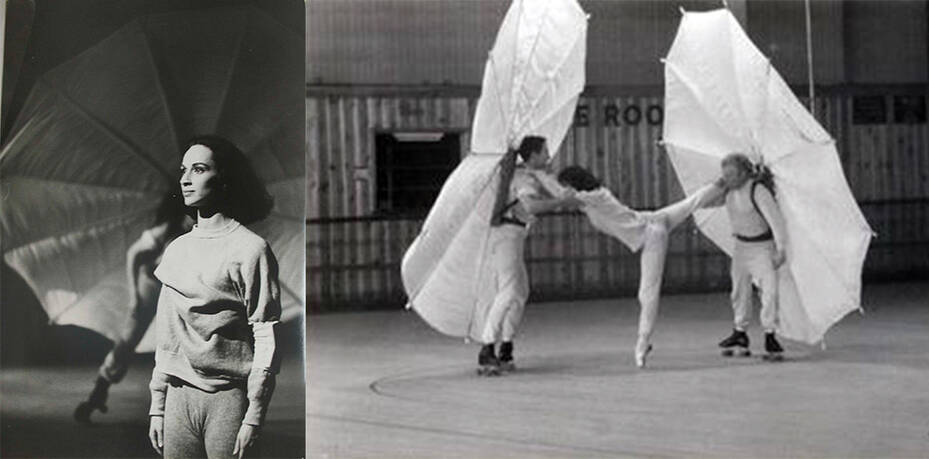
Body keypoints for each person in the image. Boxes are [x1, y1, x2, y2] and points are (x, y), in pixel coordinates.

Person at [147, 135, 281, 458]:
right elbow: (167, 336)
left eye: (199, 169)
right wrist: (157, 404)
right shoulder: (176, 250)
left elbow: (266, 334)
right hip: (179, 398)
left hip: (229, 401)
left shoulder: (251, 250)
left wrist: (254, 414)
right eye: (184, 170)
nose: (185, 179)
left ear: (223, 180)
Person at [556, 166, 725, 368]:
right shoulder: (592, 197)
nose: (563, 190)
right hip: (651, 219)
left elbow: (560, 199)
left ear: (574, 185)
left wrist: (535, 174)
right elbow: (565, 198)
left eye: (565, 186)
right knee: (690, 204)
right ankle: (724, 182)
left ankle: (642, 343)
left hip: (651, 234)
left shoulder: (590, 197)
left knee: (647, 293)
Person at [74, 193, 193, 424]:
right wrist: (134, 296)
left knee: (186, 342)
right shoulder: (166, 230)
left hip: (179, 290)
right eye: (189, 215)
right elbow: (133, 255)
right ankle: (98, 392)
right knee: (128, 339)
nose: (193, 220)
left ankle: (184, 405)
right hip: (151, 285)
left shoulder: (202, 234)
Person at [477, 136, 581, 376]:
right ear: (532, 155)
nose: (547, 156)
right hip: (507, 235)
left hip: (513, 235)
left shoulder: (530, 175)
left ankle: (506, 347)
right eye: (544, 152)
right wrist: (560, 201)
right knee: (510, 290)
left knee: (520, 292)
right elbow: (532, 207)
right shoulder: (524, 178)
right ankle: (487, 347)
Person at [712, 153, 788, 361]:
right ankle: (740, 333)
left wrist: (781, 249)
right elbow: (704, 204)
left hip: (763, 248)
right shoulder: (727, 191)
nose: (727, 178)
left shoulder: (758, 191)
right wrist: (717, 186)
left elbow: (776, 221)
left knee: (769, 292)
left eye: (731, 175)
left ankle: (770, 335)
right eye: (724, 175)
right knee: (739, 291)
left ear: (744, 173)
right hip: (741, 247)